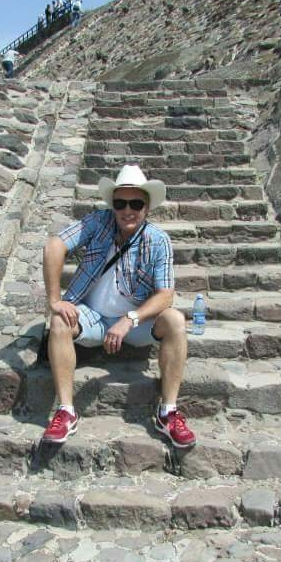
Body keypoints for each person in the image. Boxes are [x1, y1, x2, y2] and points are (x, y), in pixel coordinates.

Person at [41, 165, 197, 449]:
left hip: (134, 324)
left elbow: (166, 295)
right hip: (90, 316)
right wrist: (54, 300)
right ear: (112, 205)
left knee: (175, 319)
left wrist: (130, 319)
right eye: (120, 203)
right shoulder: (98, 221)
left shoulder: (158, 240)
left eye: (136, 204)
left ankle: (168, 412)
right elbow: (54, 245)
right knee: (59, 320)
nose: (127, 210)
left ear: (147, 207)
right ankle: (66, 412)